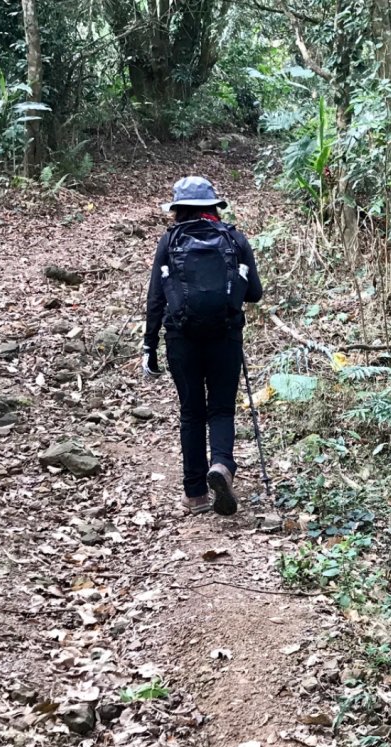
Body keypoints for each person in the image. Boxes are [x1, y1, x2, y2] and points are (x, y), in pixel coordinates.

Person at [142, 177, 263, 515]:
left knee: (192, 413)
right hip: (225, 336)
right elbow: (254, 293)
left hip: (182, 339)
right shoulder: (235, 239)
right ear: (214, 207)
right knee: (222, 409)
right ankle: (222, 465)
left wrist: (149, 347)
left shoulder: (169, 242)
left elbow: (156, 299)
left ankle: (195, 494)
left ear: (178, 210)